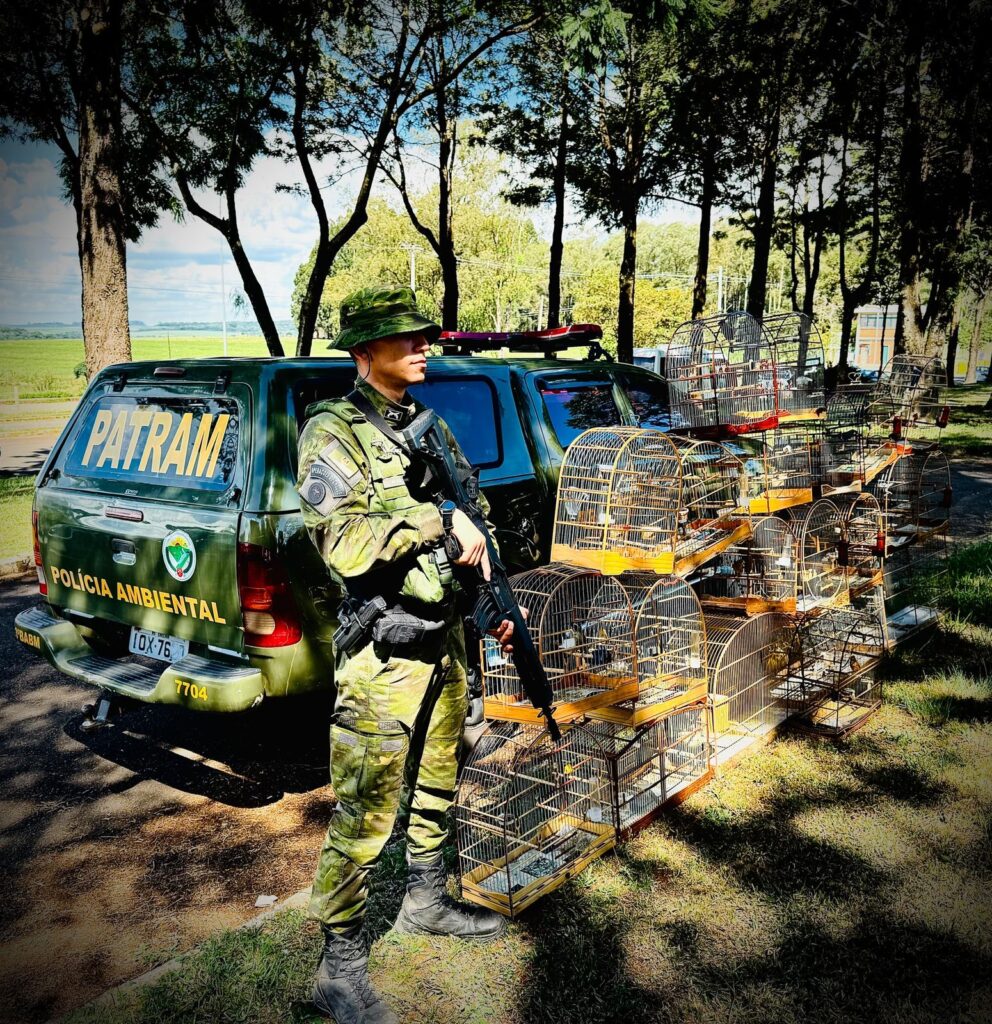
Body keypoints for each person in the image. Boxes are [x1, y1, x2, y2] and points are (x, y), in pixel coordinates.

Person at [297, 285, 512, 1024]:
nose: (424, 346)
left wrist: (493, 609)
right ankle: (339, 967)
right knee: (364, 809)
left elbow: (474, 516)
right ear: (365, 354)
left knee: (439, 781)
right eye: (405, 338)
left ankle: (424, 903)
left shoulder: (427, 424)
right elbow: (346, 546)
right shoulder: (334, 432)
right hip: (383, 652)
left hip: (445, 637)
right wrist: (434, 519)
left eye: (425, 335)